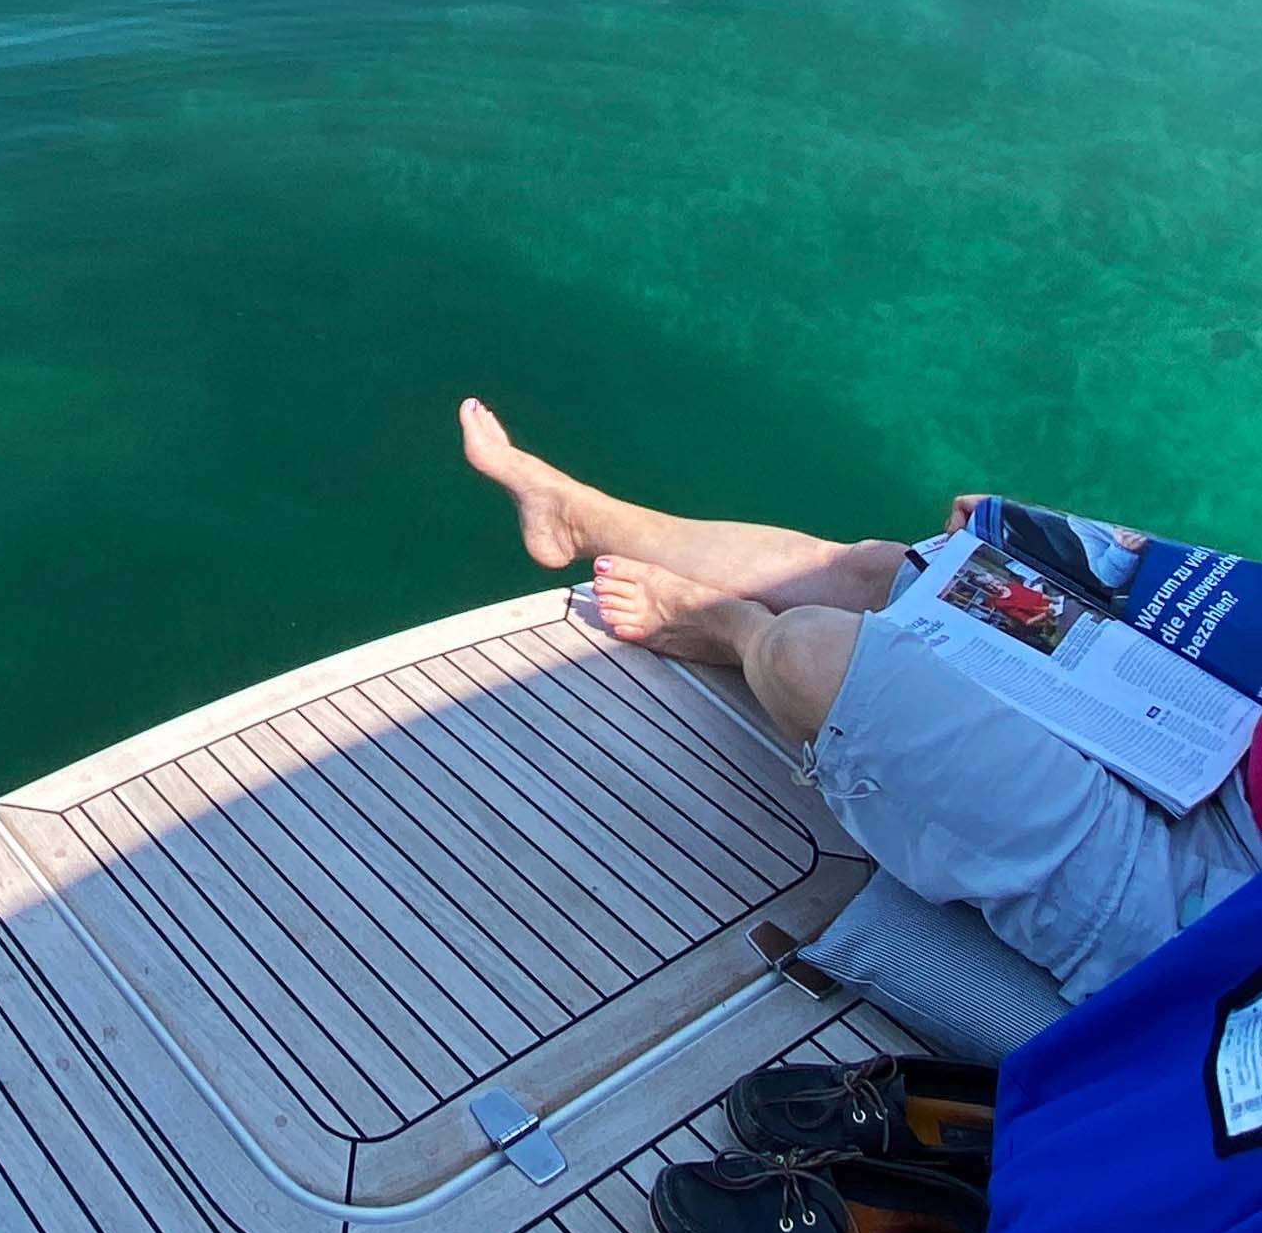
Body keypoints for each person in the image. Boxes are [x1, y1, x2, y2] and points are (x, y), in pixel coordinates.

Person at [457, 397, 1262, 1001]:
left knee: (810, 650)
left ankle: (728, 629)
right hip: (1218, 722)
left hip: (1202, 903)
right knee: (900, 572)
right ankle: (575, 512)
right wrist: (1099, 563)